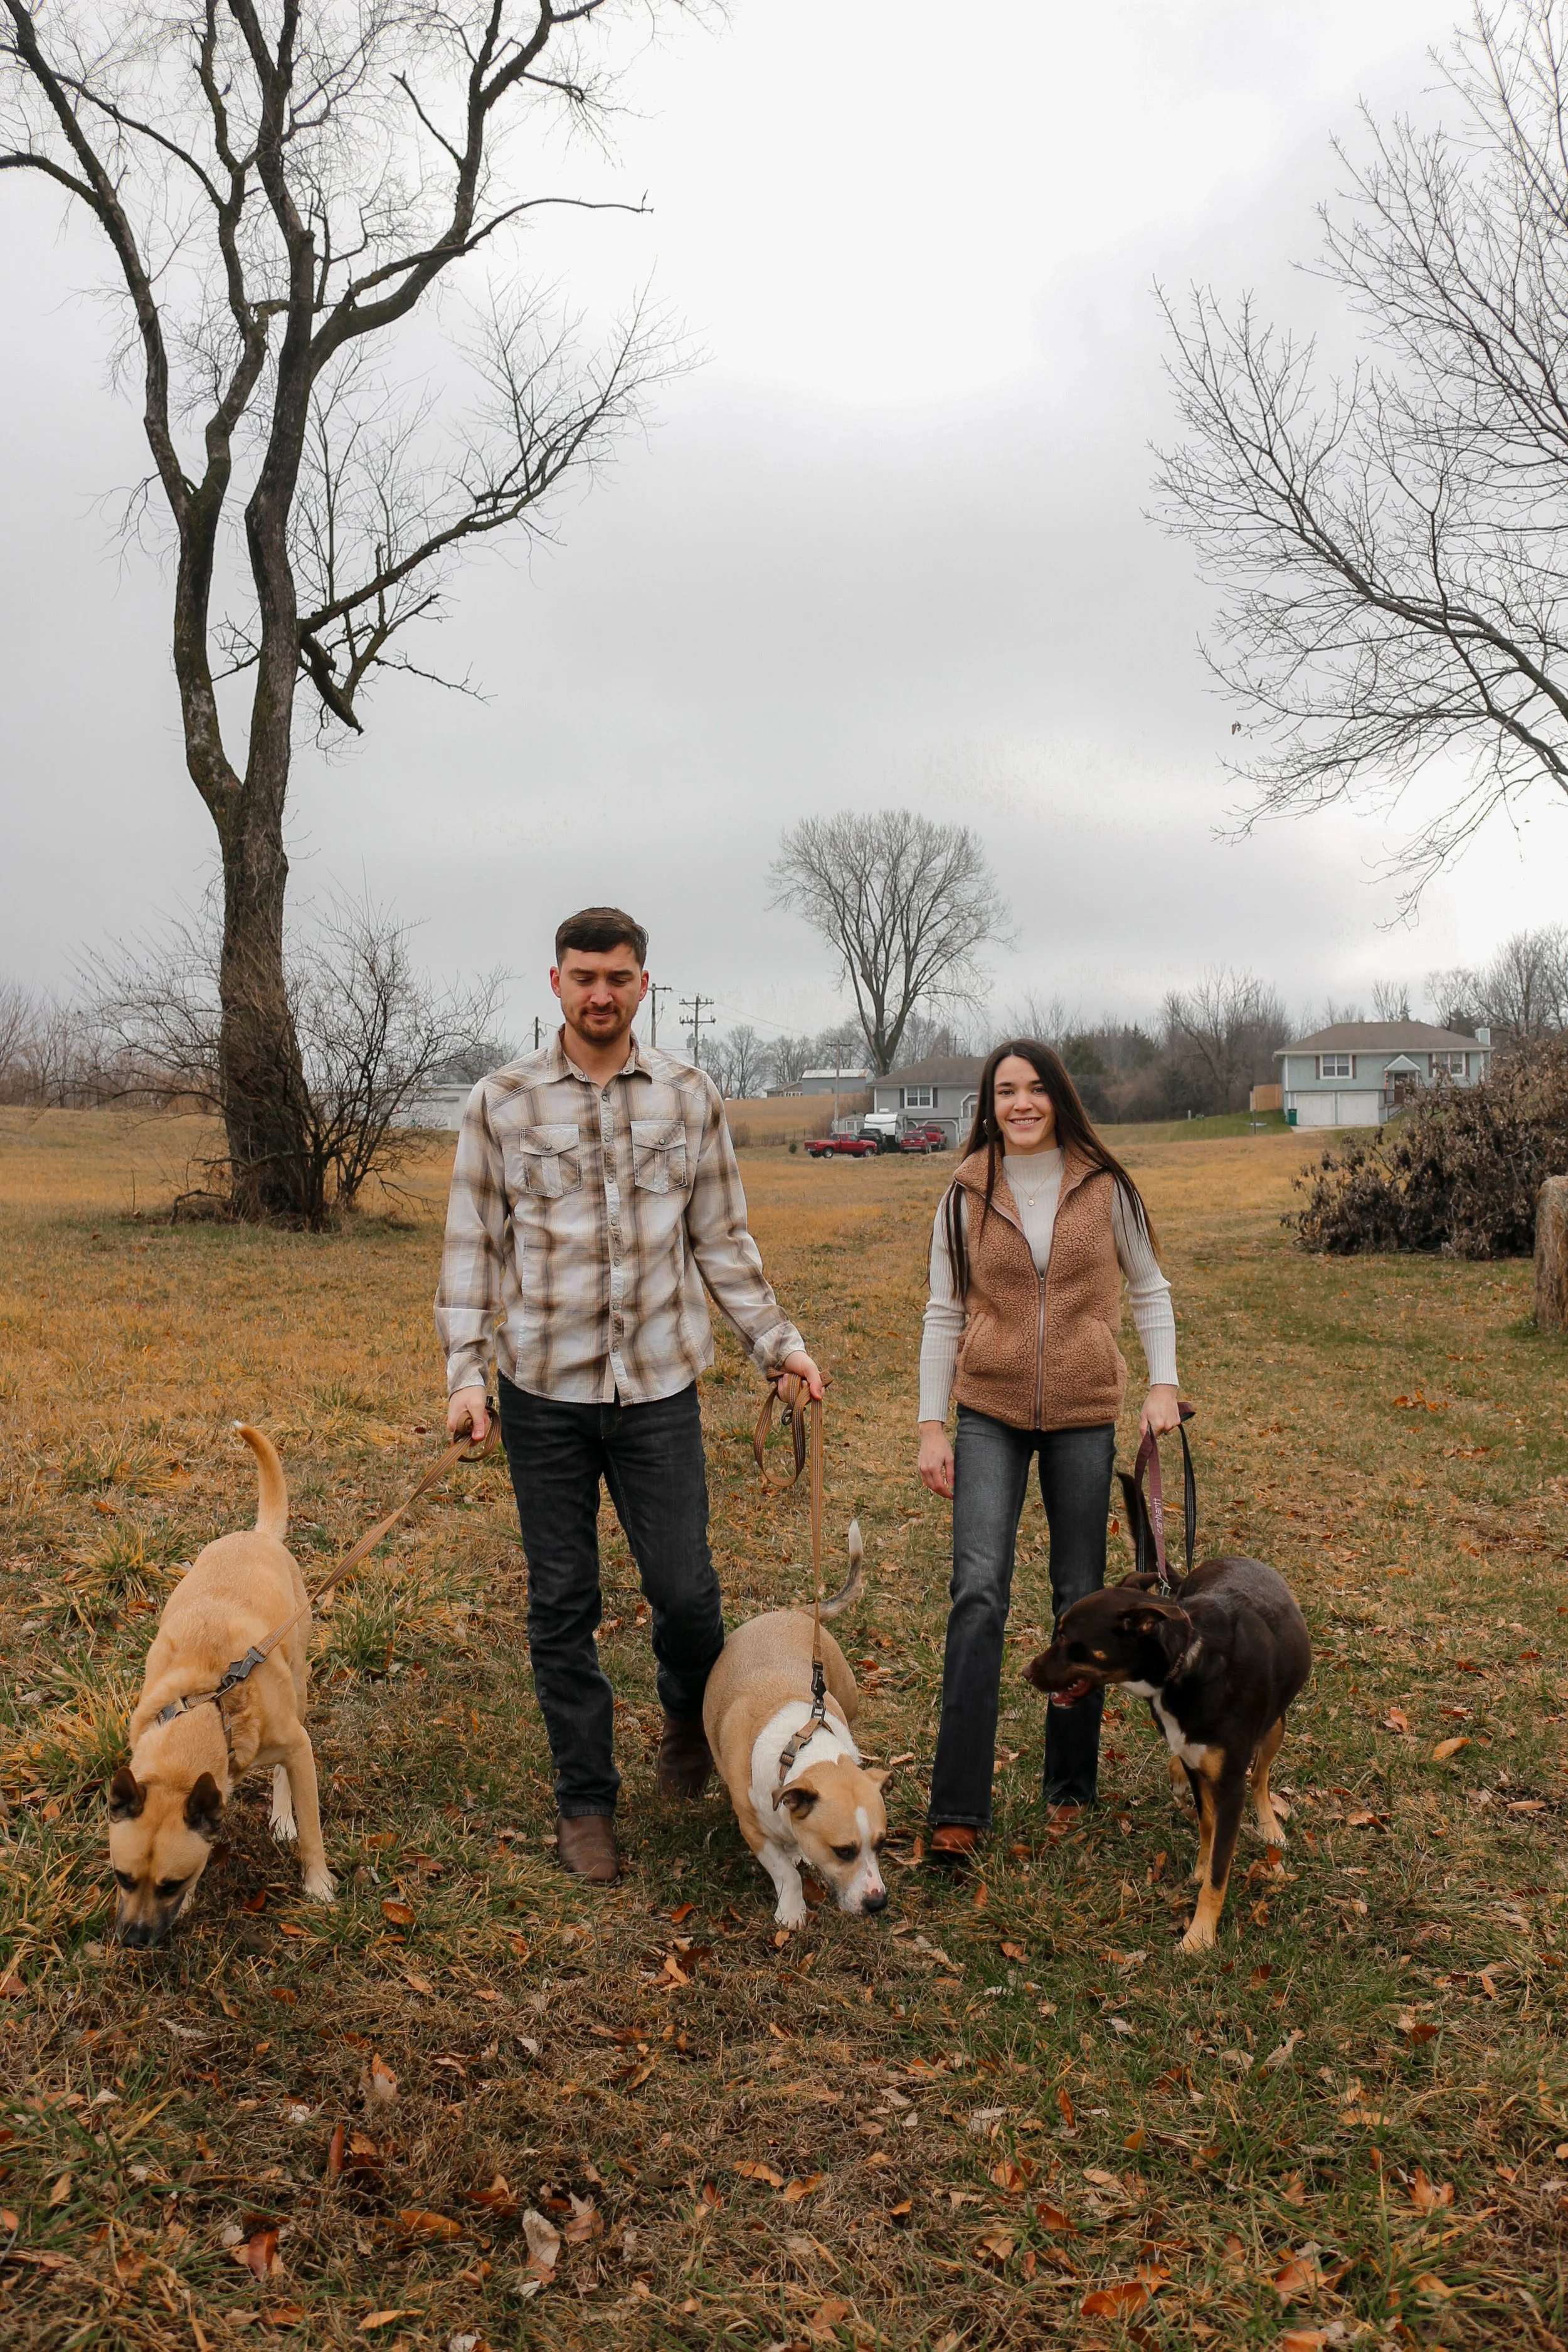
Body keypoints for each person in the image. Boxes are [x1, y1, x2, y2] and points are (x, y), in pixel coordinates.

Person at [436, 907, 822, 1885]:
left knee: (688, 1593)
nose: (600, 992)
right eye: (582, 976)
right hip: (542, 1395)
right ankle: (586, 1802)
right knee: (562, 1601)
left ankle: (690, 1723)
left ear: (644, 983)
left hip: (657, 1388)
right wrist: (465, 1376)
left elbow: (722, 1242)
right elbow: (473, 1248)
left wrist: (779, 1344)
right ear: (555, 983)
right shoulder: (502, 1102)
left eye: (618, 976)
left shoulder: (691, 1098)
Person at [915, 1040, 1181, 1860]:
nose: (1021, 1102)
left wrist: (1162, 1382)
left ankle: (1069, 1790)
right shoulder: (965, 1191)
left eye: (1035, 1089)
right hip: (988, 1408)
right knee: (978, 1595)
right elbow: (943, 1310)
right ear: (988, 1104)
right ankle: (957, 1808)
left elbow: (1150, 1286)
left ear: (1058, 1096)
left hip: (1082, 1411)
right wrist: (932, 1424)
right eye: (1005, 1091)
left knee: (1080, 1595)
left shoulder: (1106, 1186)